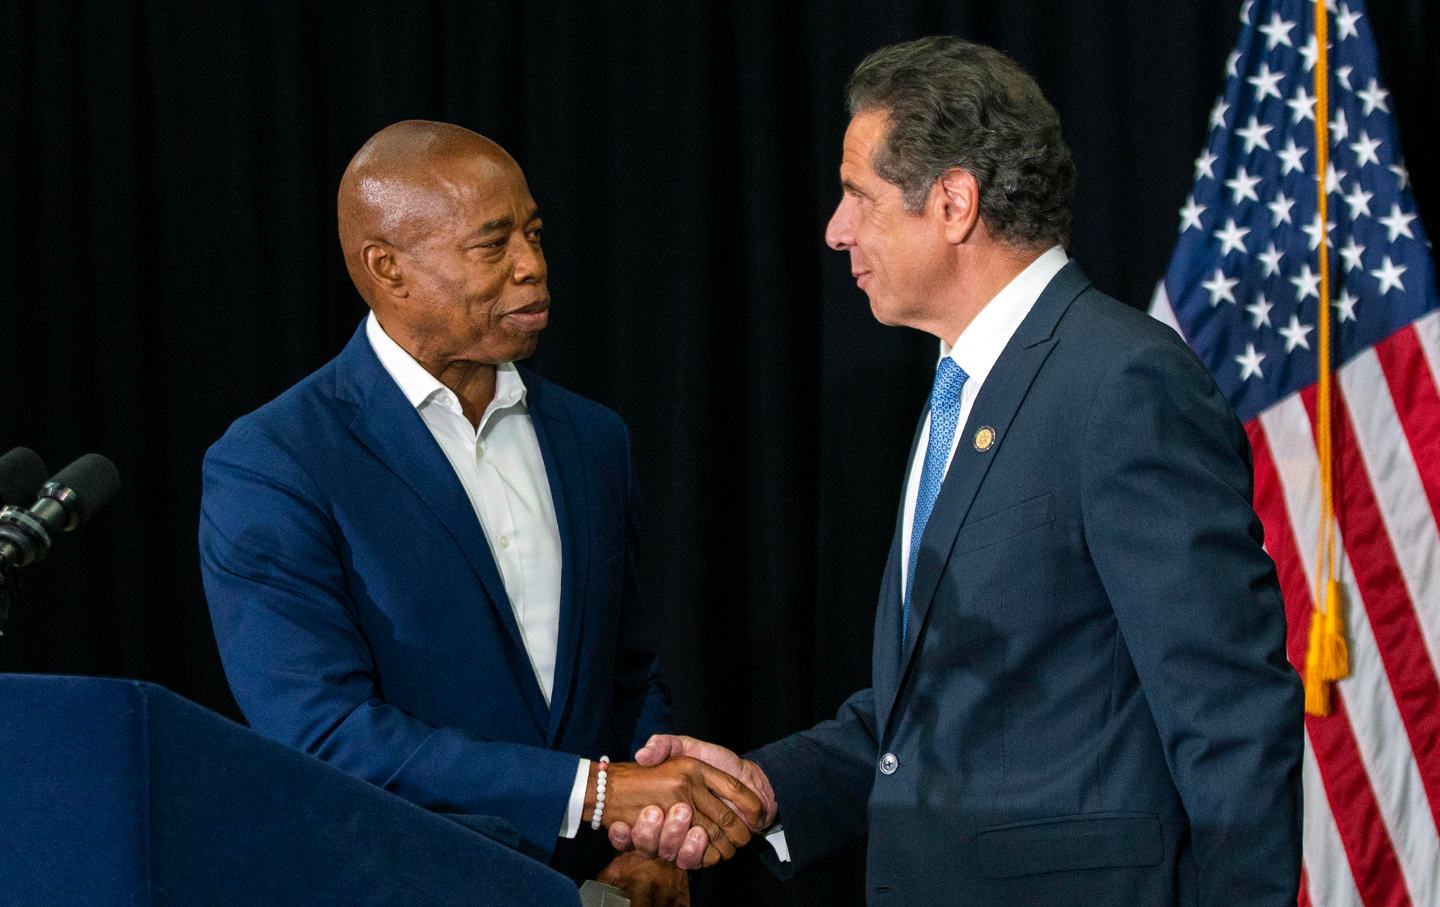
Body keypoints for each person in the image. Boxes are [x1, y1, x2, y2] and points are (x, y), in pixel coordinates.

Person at [615, 37, 1304, 904]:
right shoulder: (965, 386)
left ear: (952, 202)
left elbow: (1228, 715)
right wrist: (758, 788)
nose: (836, 228)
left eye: (859, 196)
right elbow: (936, 709)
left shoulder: (1121, 381)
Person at [199, 120, 760, 904]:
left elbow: (626, 678)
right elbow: (322, 733)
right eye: (493, 246)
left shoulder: (595, 440)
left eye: (534, 233)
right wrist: (596, 792)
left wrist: (650, 833)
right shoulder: (276, 462)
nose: (534, 266)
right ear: (388, 269)